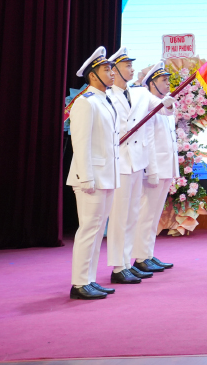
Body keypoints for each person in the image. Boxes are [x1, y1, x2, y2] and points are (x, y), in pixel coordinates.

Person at [106, 47, 173, 284]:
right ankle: (118, 266)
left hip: (136, 162)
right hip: (120, 163)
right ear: (114, 70)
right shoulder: (107, 96)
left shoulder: (139, 94)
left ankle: (127, 263)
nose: (132, 69)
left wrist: (168, 103)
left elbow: (163, 108)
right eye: (127, 66)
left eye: (132, 65)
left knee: (132, 215)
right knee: (119, 217)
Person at [67, 47, 120, 299]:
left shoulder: (104, 100)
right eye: (106, 70)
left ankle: (89, 279)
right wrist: (86, 177)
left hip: (106, 175)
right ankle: (79, 283)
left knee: (98, 231)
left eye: (112, 69)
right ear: (92, 75)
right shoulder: (85, 102)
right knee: (89, 229)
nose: (112, 73)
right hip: (91, 177)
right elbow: (81, 143)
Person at [131, 62, 177, 274]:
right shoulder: (148, 108)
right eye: (163, 80)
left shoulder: (164, 106)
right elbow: (148, 141)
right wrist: (152, 170)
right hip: (155, 169)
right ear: (151, 84)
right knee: (146, 213)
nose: (167, 84)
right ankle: (140, 257)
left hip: (166, 167)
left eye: (168, 80)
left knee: (154, 214)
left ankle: (147, 254)